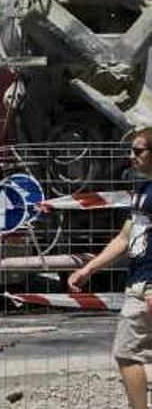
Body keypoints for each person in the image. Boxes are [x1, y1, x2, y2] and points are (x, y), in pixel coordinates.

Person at [68, 127, 152, 409]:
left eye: (138, 151)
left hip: (148, 287)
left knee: (126, 352)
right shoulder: (142, 191)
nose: (131, 157)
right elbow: (124, 238)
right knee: (127, 353)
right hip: (138, 285)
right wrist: (88, 269)